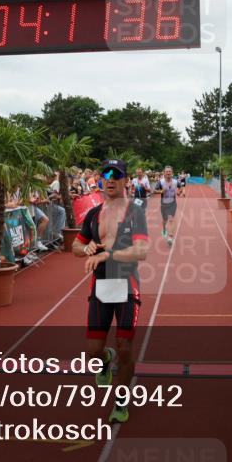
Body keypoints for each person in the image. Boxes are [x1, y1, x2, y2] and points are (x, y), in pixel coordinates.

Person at [72, 159, 149, 424]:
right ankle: (105, 359)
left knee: (125, 347)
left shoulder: (135, 212)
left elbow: (141, 251)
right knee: (93, 351)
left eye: (117, 175)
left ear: (126, 180)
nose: (111, 179)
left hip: (126, 284)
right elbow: (75, 246)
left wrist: (108, 255)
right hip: (102, 285)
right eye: (107, 175)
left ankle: (121, 401)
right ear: (101, 180)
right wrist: (86, 248)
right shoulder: (94, 215)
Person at [158, 165, 184, 245]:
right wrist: (161, 191)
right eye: (167, 171)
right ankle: (164, 229)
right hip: (163, 204)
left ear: (172, 173)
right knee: (165, 220)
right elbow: (154, 190)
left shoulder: (176, 182)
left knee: (171, 219)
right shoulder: (160, 182)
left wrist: (179, 192)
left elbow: (181, 188)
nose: (168, 173)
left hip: (172, 203)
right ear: (164, 173)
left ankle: (170, 237)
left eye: (169, 171)